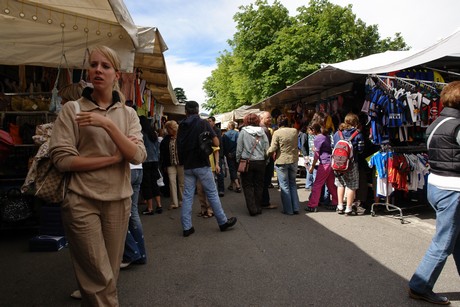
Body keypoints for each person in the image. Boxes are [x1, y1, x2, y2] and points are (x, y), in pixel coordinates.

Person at [49, 45, 147, 305]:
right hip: (81, 200)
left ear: (116, 74)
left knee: (110, 273)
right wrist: (113, 159)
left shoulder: (128, 114)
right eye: (93, 65)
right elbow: (62, 159)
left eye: (105, 66)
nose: (98, 71)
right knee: (98, 275)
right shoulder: (72, 110)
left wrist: (106, 124)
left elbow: (137, 155)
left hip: (119, 199)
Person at [408, 81, 460, 305]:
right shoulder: (457, 125)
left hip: (437, 185)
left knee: (456, 239)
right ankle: (419, 285)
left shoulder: (437, 123)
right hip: (453, 189)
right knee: (444, 242)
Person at [177, 100, 237, 237]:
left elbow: (178, 145)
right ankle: (222, 222)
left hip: (188, 165)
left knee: (187, 197)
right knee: (212, 193)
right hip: (202, 164)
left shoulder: (181, 126)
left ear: (185, 111)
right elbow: (216, 142)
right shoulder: (203, 123)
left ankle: (187, 227)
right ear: (198, 111)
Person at [236, 113, 269, 216]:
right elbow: (266, 147)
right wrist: (266, 160)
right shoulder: (262, 132)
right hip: (260, 161)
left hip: (247, 161)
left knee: (247, 185)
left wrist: (238, 160)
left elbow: (239, 148)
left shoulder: (243, 132)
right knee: (259, 185)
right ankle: (258, 207)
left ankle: (252, 209)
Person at [267, 114, 300, 215]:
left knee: (284, 186)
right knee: (293, 184)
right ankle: (296, 207)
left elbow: (273, 148)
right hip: (294, 160)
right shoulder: (294, 131)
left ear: (278, 123)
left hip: (282, 161)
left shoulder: (277, 133)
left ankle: (288, 209)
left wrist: (266, 154)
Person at [332, 112, 365, 215]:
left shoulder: (337, 133)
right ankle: (349, 208)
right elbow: (360, 150)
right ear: (355, 122)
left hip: (337, 164)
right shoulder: (358, 134)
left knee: (340, 184)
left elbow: (333, 147)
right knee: (351, 185)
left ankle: (340, 206)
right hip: (352, 163)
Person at [305, 122, 339, 212]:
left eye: (310, 130)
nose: (309, 132)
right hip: (330, 162)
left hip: (324, 164)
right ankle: (336, 202)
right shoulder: (326, 136)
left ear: (313, 130)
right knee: (331, 184)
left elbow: (316, 154)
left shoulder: (317, 138)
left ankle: (312, 205)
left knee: (317, 184)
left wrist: (312, 166)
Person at [120, 162, 147, 268]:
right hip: (138, 167)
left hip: (126, 169)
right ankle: (141, 254)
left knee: (120, 214)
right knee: (133, 212)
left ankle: (132, 252)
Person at [139, 115, 163, 215]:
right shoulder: (154, 134)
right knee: (154, 183)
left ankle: (150, 208)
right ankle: (159, 205)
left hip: (145, 162)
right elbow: (157, 150)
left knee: (147, 184)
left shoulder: (142, 134)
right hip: (155, 161)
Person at [160, 120, 184, 210]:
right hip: (170, 164)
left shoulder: (181, 137)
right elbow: (163, 153)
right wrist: (164, 165)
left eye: (168, 129)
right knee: (171, 182)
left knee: (182, 183)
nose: (167, 131)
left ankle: (182, 201)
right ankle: (174, 203)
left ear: (172, 128)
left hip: (181, 163)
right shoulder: (166, 139)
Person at [259, 111, 277, 209]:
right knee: (265, 181)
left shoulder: (263, 128)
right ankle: (265, 202)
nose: (270, 119)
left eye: (270, 117)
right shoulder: (264, 130)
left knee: (263, 181)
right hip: (266, 159)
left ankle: (263, 201)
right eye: (268, 118)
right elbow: (267, 147)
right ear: (262, 118)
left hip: (262, 158)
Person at [208, 116, 225, 197]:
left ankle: (221, 189)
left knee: (219, 172)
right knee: (211, 173)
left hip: (218, 153)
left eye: (210, 121)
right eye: (208, 121)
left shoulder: (217, 130)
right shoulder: (206, 130)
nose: (209, 122)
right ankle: (214, 189)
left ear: (214, 122)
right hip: (209, 154)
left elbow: (218, 143)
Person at [222, 121, 241, 193]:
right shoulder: (237, 134)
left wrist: (226, 154)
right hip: (237, 154)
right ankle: (231, 184)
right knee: (236, 169)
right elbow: (239, 144)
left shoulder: (225, 135)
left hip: (229, 155)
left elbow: (223, 146)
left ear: (228, 126)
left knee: (232, 169)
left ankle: (237, 185)